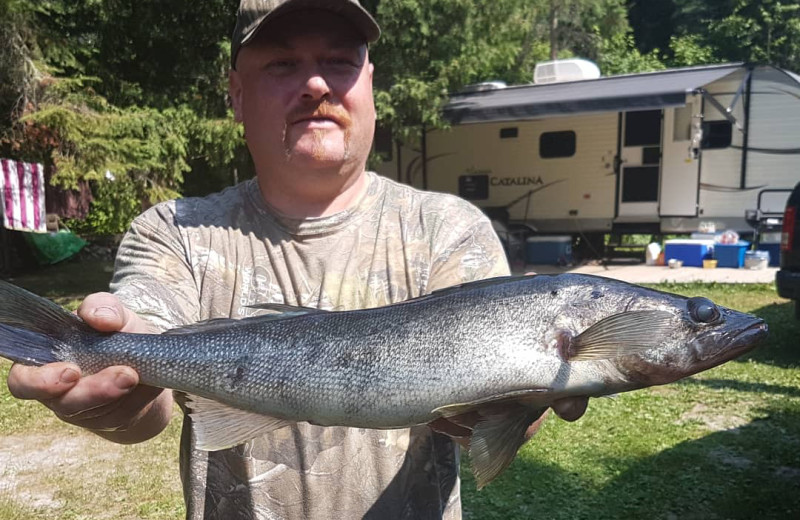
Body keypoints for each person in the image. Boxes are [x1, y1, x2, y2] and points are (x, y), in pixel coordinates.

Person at [5, 1, 587, 518]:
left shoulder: (450, 228)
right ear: (236, 94)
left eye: (339, 61)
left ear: (370, 84)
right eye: (282, 64)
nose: (315, 83)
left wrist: (518, 405)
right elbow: (145, 385)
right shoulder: (173, 231)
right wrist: (116, 379)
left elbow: (495, 415)